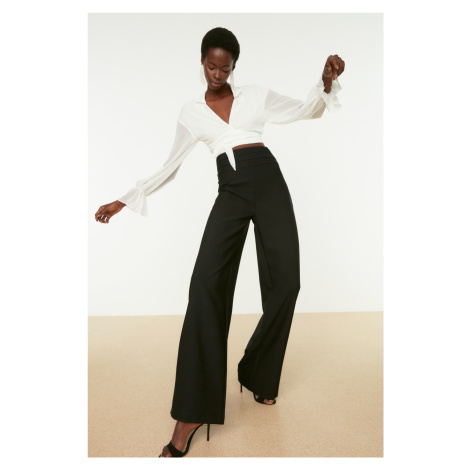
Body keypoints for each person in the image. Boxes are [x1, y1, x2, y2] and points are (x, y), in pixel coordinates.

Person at [95, 27, 345, 458]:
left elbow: (306, 110)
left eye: (224, 68)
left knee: (287, 283)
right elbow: (170, 165)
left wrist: (325, 81)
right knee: (204, 285)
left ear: (233, 66)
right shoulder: (191, 112)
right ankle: (192, 412)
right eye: (211, 66)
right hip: (230, 189)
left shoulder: (255, 95)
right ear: (201, 61)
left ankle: (258, 373)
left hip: (268, 181)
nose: (216, 74)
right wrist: (125, 199)